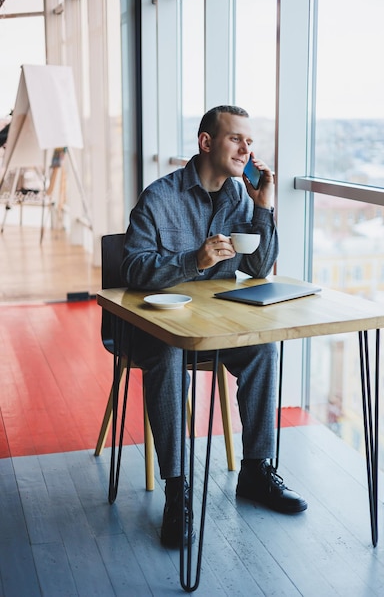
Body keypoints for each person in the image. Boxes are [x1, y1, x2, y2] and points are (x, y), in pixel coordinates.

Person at [121, 105, 307, 548]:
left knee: (263, 347)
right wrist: (194, 260)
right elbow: (130, 267)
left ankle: (257, 471)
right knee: (166, 358)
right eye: (236, 139)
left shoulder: (240, 198)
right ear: (206, 142)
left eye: (250, 140)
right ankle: (177, 489)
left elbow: (260, 268)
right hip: (162, 328)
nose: (247, 148)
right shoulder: (159, 197)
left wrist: (264, 207)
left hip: (215, 327)